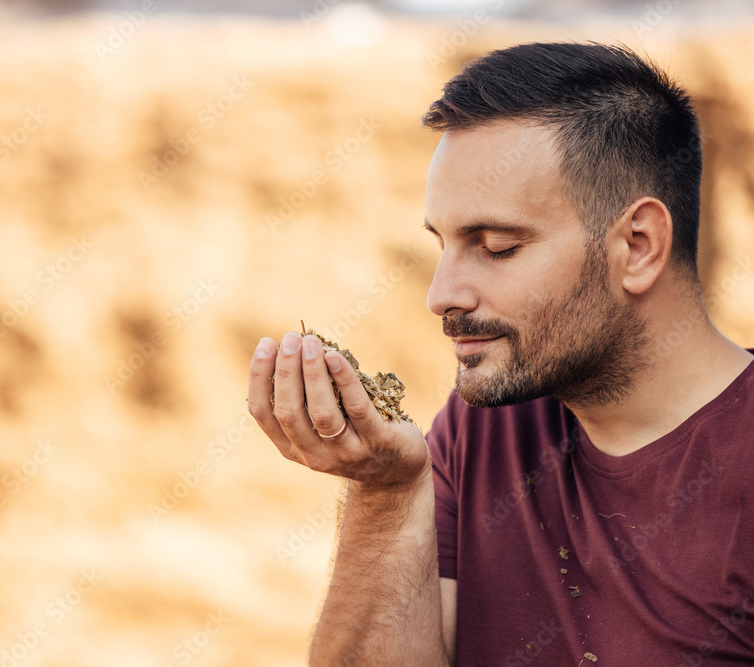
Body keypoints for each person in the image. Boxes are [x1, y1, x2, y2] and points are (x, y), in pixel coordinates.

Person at [246, 42, 754, 666]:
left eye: (496, 246)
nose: (441, 296)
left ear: (640, 246)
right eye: (444, 244)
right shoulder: (483, 429)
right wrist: (384, 492)